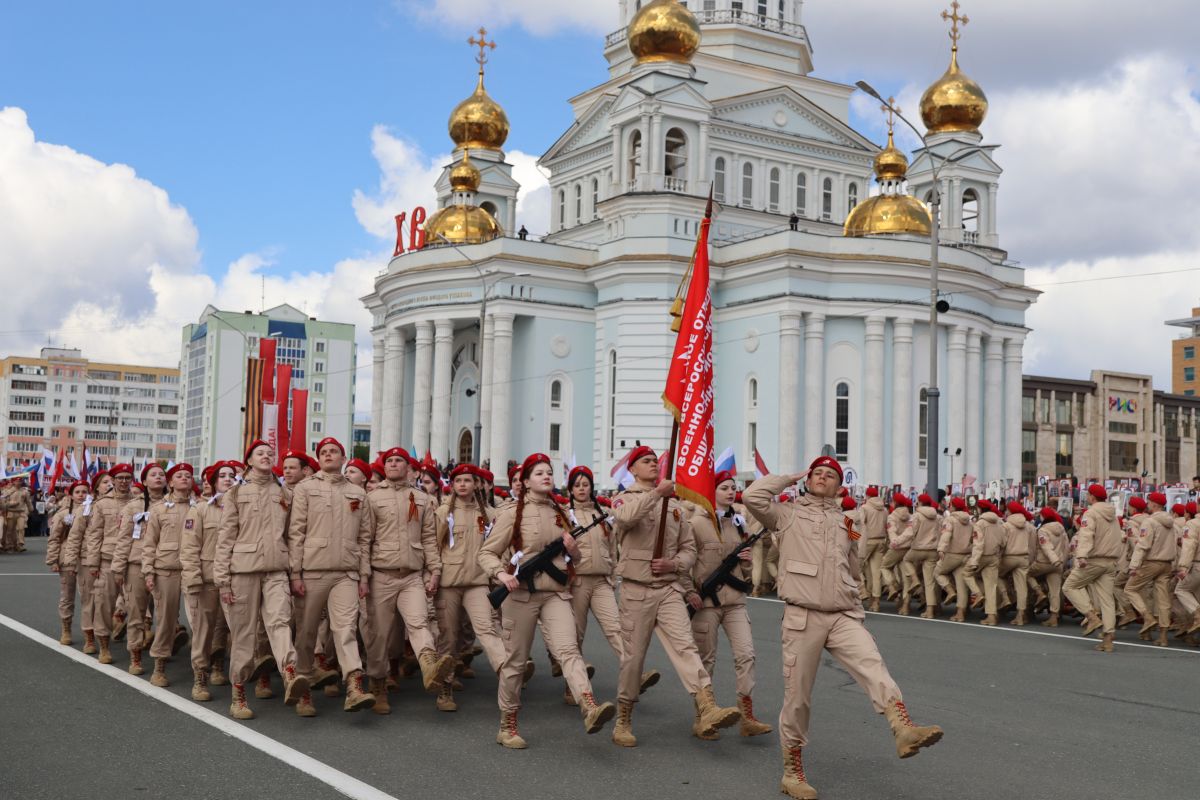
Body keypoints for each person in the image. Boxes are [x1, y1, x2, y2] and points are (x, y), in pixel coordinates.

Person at [743, 457, 942, 800]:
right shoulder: (786, 515)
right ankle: (792, 771)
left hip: (843, 614)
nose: (822, 478)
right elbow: (752, 498)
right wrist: (788, 478)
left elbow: (854, 558)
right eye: (817, 473)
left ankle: (902, 728)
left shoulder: (847, 520)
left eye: (830, 475)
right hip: (803, 615)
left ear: (840, 485)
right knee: (798, 699)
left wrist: (854, 595)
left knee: (873, 664)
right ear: (808, 479)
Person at [479, 453, 616, 749]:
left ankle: (588, 705)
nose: (546, 476)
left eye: (549, 472)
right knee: (515, 662)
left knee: (569, 650)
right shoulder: (511, 513)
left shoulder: (561, 513)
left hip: (555, 593)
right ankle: (508, 722)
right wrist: (502, 576)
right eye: (539, 472)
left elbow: (573, 558)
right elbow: (486, 553)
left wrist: (573, 549)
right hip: (520, 595)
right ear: (526, 481)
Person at [608, 446, 740, 748]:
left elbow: (689, 548)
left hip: (668, 588)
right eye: (646, 461)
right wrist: (657, 495)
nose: (653, 464)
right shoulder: (624, 498)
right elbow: (625, 517)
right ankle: (624, 718)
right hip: (636, 589)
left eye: (656, 460)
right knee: (633, 658)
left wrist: (675, 564)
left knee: (686, 647)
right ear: (633, 469)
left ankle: (707, 706)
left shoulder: (677, 507)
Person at [363, 448, 454, 714]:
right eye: (389, 461)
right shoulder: (372, 498)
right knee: (378, 634)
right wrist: (363, 575)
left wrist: (434, 571)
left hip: (412, 576)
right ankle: (378, 685)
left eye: (398, 461)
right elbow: (364, 540)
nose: (393, 464)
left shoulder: (423, 499)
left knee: (418, 623)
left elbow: (429, 539)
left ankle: (429, 666)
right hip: (381, 575)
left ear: (408, 468)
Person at [289, 437, 376, 713]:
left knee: (345, 629)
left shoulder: (358, 493)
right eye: (323, 452)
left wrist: (363, 576)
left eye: (334, 451)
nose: (328, 455)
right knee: (306, 633)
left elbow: (365, 538)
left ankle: (353, 685)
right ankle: (303, 688)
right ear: (319, 458)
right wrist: (295, 573)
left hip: (346, 574)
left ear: (343, 457)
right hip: (312, 570)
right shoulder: (305, 488)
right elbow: (296, 533)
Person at [560, 465, 660, 706]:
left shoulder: (603, 513)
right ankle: (571, 687)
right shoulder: (564, 514)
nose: (582, 489)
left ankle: (635, 675)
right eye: (577, 485)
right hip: (578, 581)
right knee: (576, 635)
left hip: (602, 581)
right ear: (570, 489)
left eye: (586, 485)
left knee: (616, 628)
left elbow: (614, 547)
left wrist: (614, 574)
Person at [682, 471, 772, 739]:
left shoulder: (738, 522)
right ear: (711, 492)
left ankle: (747, 716)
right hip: (705, 603)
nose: (731, 492)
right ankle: (703, 717)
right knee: (706, 660)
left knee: (746, 655)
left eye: (733, 487)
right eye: (724, 488)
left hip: (734, 602)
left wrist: (745, 562)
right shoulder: (695, 523)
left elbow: (744, 568)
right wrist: (688, 591)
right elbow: (684, 560)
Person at [181, 462, 236, 701]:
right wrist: (193, 580)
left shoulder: (244, 508)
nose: (227, 479)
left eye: (232, 475)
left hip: (236, 579)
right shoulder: (201, 510)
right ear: (213, 482)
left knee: (233, 629)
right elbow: (190, 548)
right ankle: (200, 676)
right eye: (222, 476)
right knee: (204, 630)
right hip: (207, 578)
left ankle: (225, 671)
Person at [140, 463, 197, 688]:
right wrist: (148, 571)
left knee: (199, 620)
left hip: (194, 570)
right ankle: (160, 665)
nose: (184, 478)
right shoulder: (159, 509)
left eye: (188, 476)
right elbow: (149, 543)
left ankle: (202, 667)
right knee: (165, 620)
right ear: (170, 483)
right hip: (167, 569)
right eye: (179, 476)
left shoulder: (200, 507)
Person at [111, 463, 169, 675]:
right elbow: (123, 539)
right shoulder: (133, 507)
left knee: (165, 615)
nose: (158, 477)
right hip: (136, 564)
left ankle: (160, 658)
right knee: (136, 612)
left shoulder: (174, 504)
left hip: (164, 564)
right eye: (153, 475)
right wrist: (118, 568)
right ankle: (135, 654)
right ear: (144, 481)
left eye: (161, 474)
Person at [83, 463, 135, 664]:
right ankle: (103, 645)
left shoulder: (139, 502)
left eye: (127, 478)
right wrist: (93, 563)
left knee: (137, 606)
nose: (123, 482)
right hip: (108, 559)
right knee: (104, 604)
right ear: (113, 480)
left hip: (132, 559)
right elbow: (94, 535)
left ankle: (136, 647)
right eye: (120, 478)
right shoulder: (102, 504)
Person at [1062, 485, 1124, 653]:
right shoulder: (1113, 515)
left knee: (1069, 586)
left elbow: (1086, 535)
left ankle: (1091, 617)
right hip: (1110, 562)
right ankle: (1108, 639)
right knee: (1107, 600)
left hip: (1094, 560)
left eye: (1088, 495)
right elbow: (1119, 537)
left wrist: (1081, 555)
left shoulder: (1090, 513)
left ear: (1092, 497)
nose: (1087, 497)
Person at [63, 471, 110, 654]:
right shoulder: (87, 507)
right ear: (97, 487)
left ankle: (105, 634)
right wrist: (70, 562)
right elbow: (74, 537)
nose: (109, 485)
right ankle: (90, 637)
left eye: (110, 482)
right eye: (105, 482)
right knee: (89, 600)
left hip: (110, 558)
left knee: (107, 601)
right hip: (86, 560)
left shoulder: (124, 505)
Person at [1123, 492, 1176, 647]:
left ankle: (1147, 617)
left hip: (1151, 562)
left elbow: (1143, 545)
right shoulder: (1170, 523)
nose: (1147, 504)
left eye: (1149, 502)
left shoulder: (1150, 522)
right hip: (1167, 563)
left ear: (1153, 504)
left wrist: (1134, 565)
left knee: (1130, 589)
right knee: (1163, 599)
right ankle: (1163, 636)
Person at [46, 480, 91, 644]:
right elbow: (55, 538)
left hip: (87, 557)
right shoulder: (62, 514)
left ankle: (89, 634)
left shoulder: (92, 510)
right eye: (78, 492)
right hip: (67, 559)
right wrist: (53, 560)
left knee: (89, 596)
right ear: (71, 495)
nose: (81, 495)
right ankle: (66, 628)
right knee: (67, 596)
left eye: (84, 491)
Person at [996, 501, 1037, 625]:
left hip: (1008, 558)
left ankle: (1005, 598)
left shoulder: (1006, 525)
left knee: (994, 573)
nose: (1006, 512)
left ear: (1010, 511)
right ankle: (1020, 615)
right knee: (1021, 587)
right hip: (1023, 558)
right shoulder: (1027, 526)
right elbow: (1032, 546)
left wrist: (998, 557)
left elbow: (1002, 544)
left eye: (1007, 510)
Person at [965, 500, 1005, 625]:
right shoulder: (999, 522)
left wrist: (974, 561)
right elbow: (1004, 542)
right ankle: (992, 616)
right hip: (994, 557)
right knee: (991, 586)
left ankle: (978, 594)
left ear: (980, 509)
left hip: (982, 556)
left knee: (966, 573)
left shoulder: (980, 523)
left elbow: (978, 543)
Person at [901, 494, 941, 618]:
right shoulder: (938, 517)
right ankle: (929, 611)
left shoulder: (917, 516)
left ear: (919, 503)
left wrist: (896, 541)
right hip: (933, 550)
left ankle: (915, 580)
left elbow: (910, 532)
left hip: (918, 548)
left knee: (906, 559)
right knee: (929, 582)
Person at [935, 497, 974, 622]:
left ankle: (949, 590)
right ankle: (960, 613)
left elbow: (946, 534)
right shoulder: (969, 521)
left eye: (950, 505)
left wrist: (941, 548)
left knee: (937, 572)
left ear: (953, 507)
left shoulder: (950, 520)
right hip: (965, 555)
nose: (949, 507)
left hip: (952, 554)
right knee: (961, 584)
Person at [1028, 508, 1066, 627]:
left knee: (1026, 573)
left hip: (1044, 562)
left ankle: (1039, 593)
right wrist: (1061, 562)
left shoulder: (1042, 530)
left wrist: (1054, 560)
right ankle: (1054, 617)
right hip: (1058, 564)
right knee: (1055, 590)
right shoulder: (1062, 529)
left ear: (1044, 517)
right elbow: (1066, 547)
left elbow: (1046, 547)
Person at [859, 487, 889, 612]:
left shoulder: (864, 508)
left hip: (868, 541)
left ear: (867, 495)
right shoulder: (884, 509)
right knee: (875, 572)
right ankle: (875, 601)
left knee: (856, 566)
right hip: (881, 540)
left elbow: (861, 525)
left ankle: (863, 591)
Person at [881, 494, 913, 610]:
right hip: (908, 548)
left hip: (896, 547)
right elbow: (910, 532)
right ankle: (905, 604)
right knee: (906, 577)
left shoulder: (892, 516)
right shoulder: (910, 516)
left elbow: (891, 531)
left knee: (884, 566)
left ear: (894, 502)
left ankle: (893, 586)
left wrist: (895, 542)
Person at [1174, 502, 1200, 635]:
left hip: (1197, 564)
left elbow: (1189, 546)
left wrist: (1183, 567)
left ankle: (1197, 615)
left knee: (1181, 590)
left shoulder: (1193, 524)